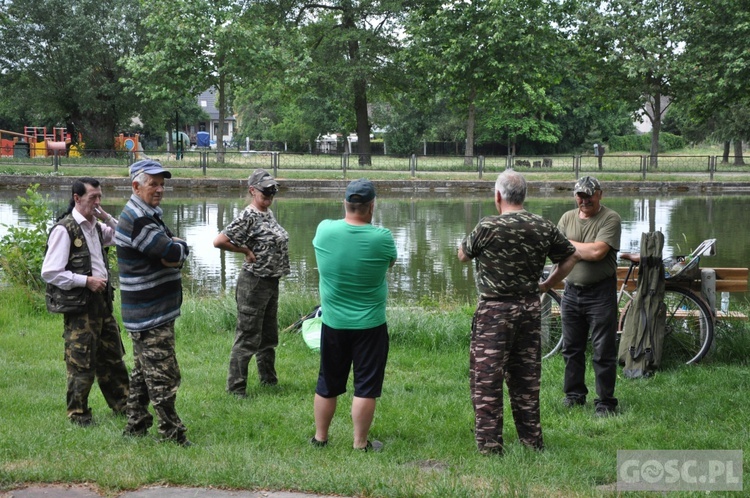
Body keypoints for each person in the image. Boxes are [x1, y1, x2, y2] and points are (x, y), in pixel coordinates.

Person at [458, 170, 580, 455]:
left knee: (487, 379)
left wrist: (464, 245)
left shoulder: (487, 226)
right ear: (523, 196)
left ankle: (490, 446)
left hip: (494, 312)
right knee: (526, 378)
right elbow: (571, 255)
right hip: (529, 309)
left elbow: (463, 255)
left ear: (498, 196)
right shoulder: (543, 226)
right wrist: (547, 284)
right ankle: (532, 442)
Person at [311, 178, 397, 451]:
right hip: (370, 325)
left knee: (328, 381)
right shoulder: (382, 238)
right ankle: (360, 443)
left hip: (333, 323)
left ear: (345, 204)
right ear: (372, 206)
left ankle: (320, 438)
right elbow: (390, 263)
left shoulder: (324, 230)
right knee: (366, 386)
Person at [115, 159, 192, 446]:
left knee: (142, 371)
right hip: (149, 313)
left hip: (147, 311)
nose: (160, 189)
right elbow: (171, 251)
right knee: (163, 375)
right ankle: (172, 434)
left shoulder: (148, 213)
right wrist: (179, 247)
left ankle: (135, 424)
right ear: (136, 186)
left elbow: (169, 250)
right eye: (153, 183)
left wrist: (174, 247)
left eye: (162, 183)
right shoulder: (138, 219)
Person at [41, 178, 129, 427]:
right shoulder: (64, 229)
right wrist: (85, 281)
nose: (98, 202)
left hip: (103, 303)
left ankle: (124, 407)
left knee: (113, 356)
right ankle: (78, 415)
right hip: (80, 307)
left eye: (100, 197)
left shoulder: (97, 227)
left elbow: (125, 236)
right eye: (93, 198)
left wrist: (107, 216)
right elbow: (50, 272)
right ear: (77, 198)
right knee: (81, 361)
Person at [213, 169, 290, 396]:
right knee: (247, 337)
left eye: (273, 190)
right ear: (252, 190)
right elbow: (219, 241)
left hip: (271, 281)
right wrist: (244, 249)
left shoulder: (267, 213)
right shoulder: (249, 215)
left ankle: (269, 381)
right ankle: (236, 389)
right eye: (265, 190)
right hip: (254, 282)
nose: (270, 194)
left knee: (268, 336)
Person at [557, 176, 622, 417]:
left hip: (601, 293)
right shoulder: (566, 217)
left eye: (589, 195)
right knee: (571, 348)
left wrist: (568, 245)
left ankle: (605, 403)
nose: (584, 200)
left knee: (603, 350)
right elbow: (557, 251)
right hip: (571, 292)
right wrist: (574, 248)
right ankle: (574, 396)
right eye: (580, 195)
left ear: (600, 194)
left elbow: (597, 252)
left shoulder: (610, 218)